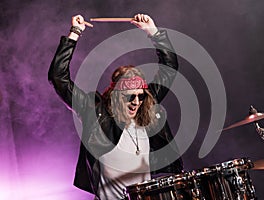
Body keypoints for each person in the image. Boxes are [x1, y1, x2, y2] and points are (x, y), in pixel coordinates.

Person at [48, 14, 183, 199]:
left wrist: (153, 32)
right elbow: (58, 78)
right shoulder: (96, 111)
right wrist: (75, 33)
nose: (136, 101)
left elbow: (169, 66)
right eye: (130, 97)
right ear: (116, 96)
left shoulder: (146, 106)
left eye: (140, 96)